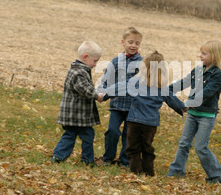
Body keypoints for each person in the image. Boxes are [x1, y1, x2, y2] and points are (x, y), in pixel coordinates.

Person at [111, 51, 187, 176]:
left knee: (133, 148)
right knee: (147, 148)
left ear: (143, 67)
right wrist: (184, 109)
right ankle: (148, 172)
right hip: (151, 124)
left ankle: (136, 171)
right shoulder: (162, 88)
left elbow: (119, 87)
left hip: (134, 122)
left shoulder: (135, 83)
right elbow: (173, 101)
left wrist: (104, 95)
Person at [167, 40, 221, 184]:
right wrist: (167, 89)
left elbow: (206, 93)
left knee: (200, 147)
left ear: (214, 56)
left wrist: (188, 103)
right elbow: (185, 82)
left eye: (204, 53)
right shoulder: (198, 70)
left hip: (206, 116)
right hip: (193, 114)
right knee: (184, 143)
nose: (200, 56)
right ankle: (176, 171)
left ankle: (217, 174)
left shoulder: (218, 75)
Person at [50, 41, 104, 166]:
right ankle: (87, 160)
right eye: (95, 61)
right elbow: (84, 89)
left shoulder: (78, 70)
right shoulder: (78, 72)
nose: (95, 64)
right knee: (87, 135)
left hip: (73, 115)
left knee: (70, 135)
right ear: (85, 57)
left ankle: (58, 156)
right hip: (77, 115)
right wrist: (97, 96)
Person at [98, 27, 143, 167]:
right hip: (117, 105)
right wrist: (101, 93)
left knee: (128, 135)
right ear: (123, 42)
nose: (133, 46)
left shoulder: (142, 63)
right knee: (112, 131)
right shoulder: (116, 62)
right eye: (130, 42)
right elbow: (106, 80)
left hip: (133, 106)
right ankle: (108, 158)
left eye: (137, 43)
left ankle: (125, 161)